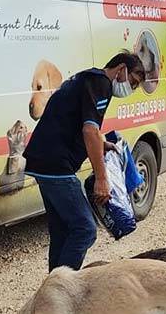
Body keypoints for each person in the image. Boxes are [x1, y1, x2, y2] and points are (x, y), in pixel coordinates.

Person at [23, 51, 145, 271]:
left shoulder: (87, 78)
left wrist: (102, 143)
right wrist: (102, 179)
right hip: (56, 166)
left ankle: (53, 290)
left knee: (61, 230)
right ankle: (64, 289)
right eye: (133, 82)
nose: (131, 89)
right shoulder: (101, 85)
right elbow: (89, 130)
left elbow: (86, 126)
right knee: (85, 229)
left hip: (42, 162)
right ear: (121, 70)